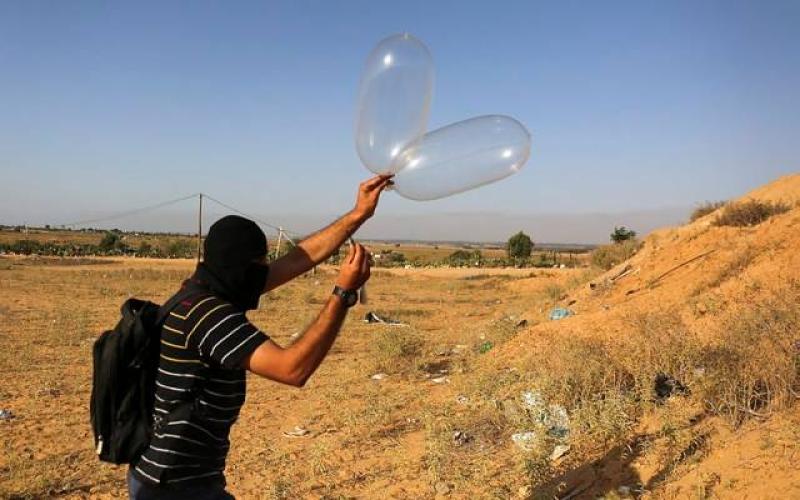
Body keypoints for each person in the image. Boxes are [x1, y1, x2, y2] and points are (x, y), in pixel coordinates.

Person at [127, 175, 392, 499]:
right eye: (259, 263)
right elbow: (293, 369)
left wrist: (358, 214)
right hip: (175, 485)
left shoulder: (202, 291)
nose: (265, 269)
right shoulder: (209, 315)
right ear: (239, 267)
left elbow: (297, 259)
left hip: (173, 477)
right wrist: (343, 293)